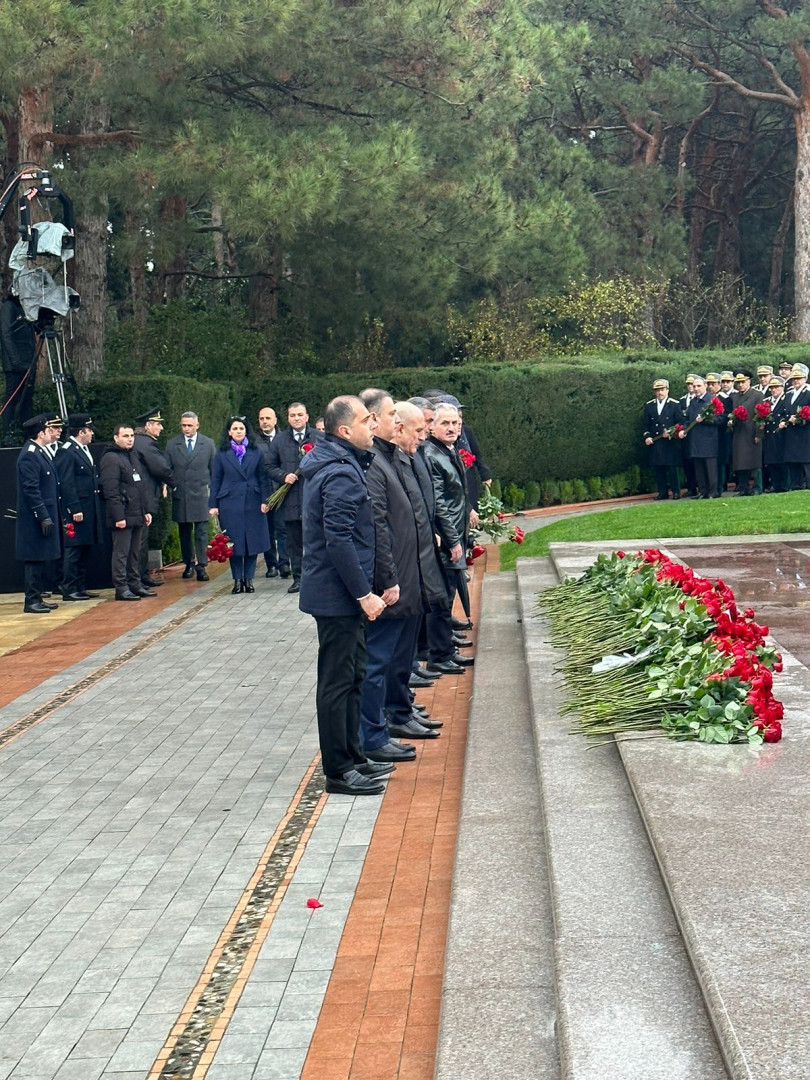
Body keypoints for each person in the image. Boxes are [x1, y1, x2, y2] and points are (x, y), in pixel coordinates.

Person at [298, 395, 388, 796]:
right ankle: (338, 769)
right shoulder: (338, 473)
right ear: (344, 431)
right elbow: (338, 540)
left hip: (340, 595)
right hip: (338, 597)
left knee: (352, 675)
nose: (372, 426)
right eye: (367, 421)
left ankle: (352, 757)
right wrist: (364, 593)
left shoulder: (342, 463)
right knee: (337, 683)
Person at [357, 389, 437, 762]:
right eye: (391, 415)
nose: (396, 422)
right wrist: (388, 579)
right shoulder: (375, 462)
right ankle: (374, 732)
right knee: (378, 662)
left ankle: (397, 712)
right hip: (391, 582)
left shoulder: (393, 458)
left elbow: (412, 514)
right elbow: (378, 527)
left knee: (397, 657)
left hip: (410, 573)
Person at [422, 401, 474, 675]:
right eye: (445, 423)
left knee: (447, 594)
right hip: (445, 540)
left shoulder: (447, 450)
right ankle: (439, 654)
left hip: (455, 534)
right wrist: (453, 540)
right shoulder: (432, 455)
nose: (452, 427)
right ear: (431, 426)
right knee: (441, 598)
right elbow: (438, 503)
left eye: (455, 423)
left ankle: (445, 651)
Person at [208, 416, 270, 593]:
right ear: (229, 432)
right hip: (230, 502)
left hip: (252, 501)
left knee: (252, 543)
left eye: (241, 429)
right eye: (235, 429)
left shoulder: (256, 451)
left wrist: (265, 500)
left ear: (246, 431)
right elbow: (216, 479)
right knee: (233, 544)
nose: (238, 432)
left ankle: (248, 580)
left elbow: (263, 478)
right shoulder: (222, 453)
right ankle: (237, 580)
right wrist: (213, 504)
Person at [266, 402, 321, 593]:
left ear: (307, 417)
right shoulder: (279, 441)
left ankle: (318, 578)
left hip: (314, 499)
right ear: (288, 418)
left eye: (299, 415)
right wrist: (283, 476)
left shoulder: (319, 438)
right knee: (294, 543)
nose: (296, 418)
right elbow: (269, 466)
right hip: (291, 500)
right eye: (292, 415)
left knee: (316, 542)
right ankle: (298, 579)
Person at [15, 413, 63, 613]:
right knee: (34, 558)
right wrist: (42, 515)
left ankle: (38, 596)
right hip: (35, 517)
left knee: (42, 557)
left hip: (46, 511)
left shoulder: (39, 452)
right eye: (46, 429)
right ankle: (32, 599)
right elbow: (31, 489)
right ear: (40, 432)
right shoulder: (30, 455)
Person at [99, 424, 153, 600]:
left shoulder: (132, 455)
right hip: (123, 513)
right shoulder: (111, 458)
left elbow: (140, 486)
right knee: (121, 552)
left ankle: (135, 583)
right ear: (116, 438)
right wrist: (118, 516)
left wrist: (145, 511)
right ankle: (121, 587)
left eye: (131, 435)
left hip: (136, 512)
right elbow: (110, 490)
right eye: (125, 436)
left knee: (135, 551)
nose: (130, 438)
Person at [55, 413, 103, 601]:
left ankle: (80, 586)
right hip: (77, 508)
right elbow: (67, 483)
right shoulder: (67, 451)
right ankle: (69, 588)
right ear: (81, 431)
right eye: (89, 430)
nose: (92, 434)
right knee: (74, 549)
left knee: (84, 548)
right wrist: (75, 508)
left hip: (89, 506)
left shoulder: (83, 449)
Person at [165, 412, 217, 581]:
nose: (186, 428)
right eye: (183, 425)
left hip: (201, 494)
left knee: (201, 532)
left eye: (189, 425)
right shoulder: (172, 444)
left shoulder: (208, 444)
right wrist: (169, 486)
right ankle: (188, 563)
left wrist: (214, 494)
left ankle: (201, 565)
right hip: (182, 494)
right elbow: (167, 469)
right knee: (185, 532)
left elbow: (214, 470)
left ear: (197, 425)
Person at [133, 407, 174, 587]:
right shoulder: (146, 444)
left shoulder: (139, 442)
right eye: (158, 424)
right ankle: (140, 577)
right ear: (148, 426)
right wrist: (174, 483)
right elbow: (160, 468)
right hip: (145, 497)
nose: (161, 428)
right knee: (141, 539)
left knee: (140, 539)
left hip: (141, 496)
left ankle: (141, 575)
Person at [254, 406, 289, 579]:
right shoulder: (253, 442)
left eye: (268, 418)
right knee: (267, 531)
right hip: (264, 491)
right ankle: (271, 565)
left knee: (283, 529)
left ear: (275, 420)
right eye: (261, 419)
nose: (265, 422)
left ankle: (284, 563)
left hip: (282, 490)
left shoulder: (284, 439)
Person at [1, 294, 37, 446]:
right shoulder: (9, 307)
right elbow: (6, 334)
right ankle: (7, 433)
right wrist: (15, 360)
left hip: (28, 359)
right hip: (15, 363)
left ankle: (28, 432)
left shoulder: (25, 306)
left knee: (27, 398)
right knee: (12, 397)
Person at [679, 376, 720, 498]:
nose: (696, 388)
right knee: (699, 469)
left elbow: (720, 419)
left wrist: (705, 419)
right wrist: (683, 430)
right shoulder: (693, 402)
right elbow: (688, 419)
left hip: (709, 440)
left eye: (699, 386)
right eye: (694, 386)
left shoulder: (712, 400)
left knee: (710, 468)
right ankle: (703, 491)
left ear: (705, 386)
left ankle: (713, 492)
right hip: (695, 440)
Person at [642, 379, 681, 500]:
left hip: (670, 441)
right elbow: (646, 424)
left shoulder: (674, 404)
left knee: (672, 468)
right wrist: (647, 436)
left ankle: (675, 491)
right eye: (657, 390)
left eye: (662, 390)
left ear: (667, 390)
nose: (660, 393)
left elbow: (681, 422)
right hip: (656, 441)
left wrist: (671, 432)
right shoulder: (649, 405)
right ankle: (662, 492)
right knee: (659, 468)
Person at [728, 371, 764, 495]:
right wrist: (731, 421)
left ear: (749, 382)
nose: (741, 385)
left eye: (743, 382)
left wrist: (759, 434)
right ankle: (743, 488)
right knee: (740, 462)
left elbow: (761, 415)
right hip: (739, 432)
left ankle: (757, 487)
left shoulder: (757, 395)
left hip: (752, 432)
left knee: (755, 462)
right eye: (738, 383)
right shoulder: (735, 397)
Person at [782, 363, 810, 490]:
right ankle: (795, 485)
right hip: (791, 432)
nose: (796, 381)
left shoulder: (808, 392)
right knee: (793, 460)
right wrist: (784, 420)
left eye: (798, 378)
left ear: (805, 378)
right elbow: (784, 411)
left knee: (806, 460)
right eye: (794, 379)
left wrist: (800, 418)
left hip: (805, 431)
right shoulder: (788, 394)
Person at [762, 376, 789, 493]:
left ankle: (784, 486)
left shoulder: (786, 400)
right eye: (772, 387)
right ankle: (776, 485)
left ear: (782, 387)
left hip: (781, 436)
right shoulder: (766, 401)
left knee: (782, 463)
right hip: (769, 436)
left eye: (776, 387)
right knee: (772, 463)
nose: (773, 390)